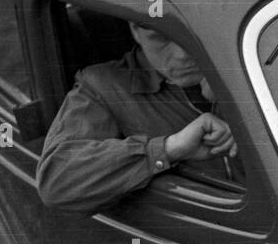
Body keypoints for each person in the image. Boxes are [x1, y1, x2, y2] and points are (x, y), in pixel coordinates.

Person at [36, 22, 239, 216]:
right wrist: (168, 149)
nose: (182, 54)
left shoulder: (243, 62)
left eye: (191, 37)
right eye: (161, 39)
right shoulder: (103, 87)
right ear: (135, 30)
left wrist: (232, 94)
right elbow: (58, 182)